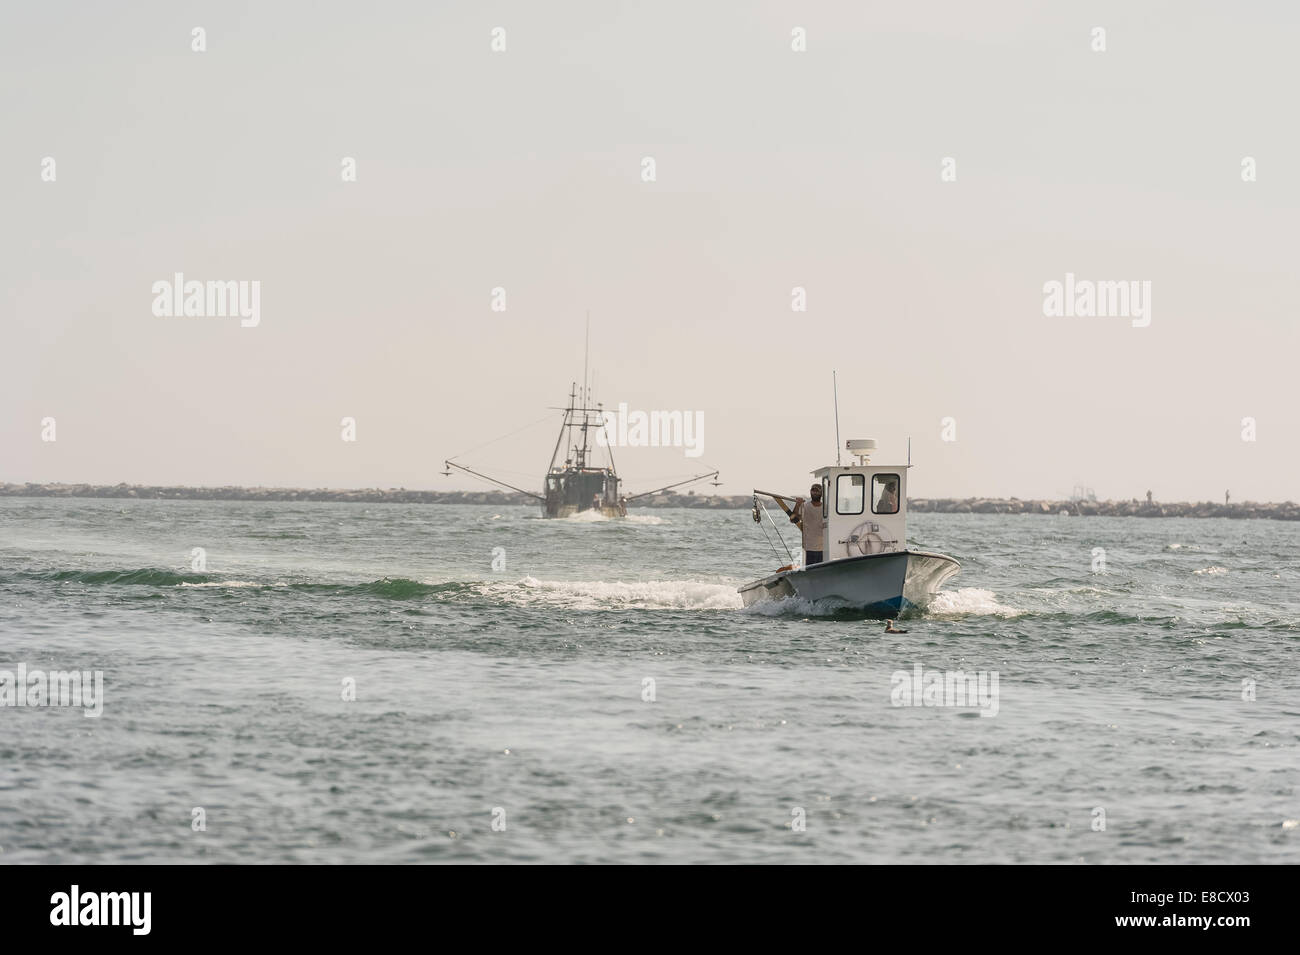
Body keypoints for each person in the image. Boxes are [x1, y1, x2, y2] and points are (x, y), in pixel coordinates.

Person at [788, 484, 824, 566]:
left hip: (824, 548)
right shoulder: (805, 506)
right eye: (813, 490)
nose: (815, 492)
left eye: (817, 491)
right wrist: (797, 504)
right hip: (808, 548)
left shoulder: (826, 508)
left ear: (821, 493)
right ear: (810, 492)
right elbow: (792, 519)